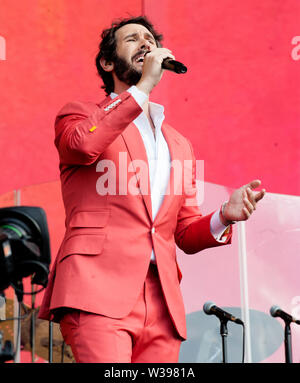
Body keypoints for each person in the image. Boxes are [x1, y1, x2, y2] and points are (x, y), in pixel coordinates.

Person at [38, 16, 266, 363]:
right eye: (132, 40)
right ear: (108, 62)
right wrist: (140, 89)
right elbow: (83, 146)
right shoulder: (80, 115)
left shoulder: (179, 144)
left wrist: (223, 215)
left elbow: (185, 235)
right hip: (97, 290)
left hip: (162, 303)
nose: (145, 44)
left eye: (150, 39)